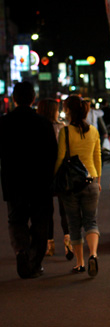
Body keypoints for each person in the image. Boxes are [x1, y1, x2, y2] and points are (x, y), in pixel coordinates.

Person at [0, 82, 58, 279]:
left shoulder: (4, 123)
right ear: (33, 99)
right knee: (40, 223)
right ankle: (34, 261)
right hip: (40, 184)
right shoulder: (43, 123)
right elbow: (53, 154)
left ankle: (21, 251)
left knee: (16, 220)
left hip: (14, 182)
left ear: (14, 99)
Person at [55, 95, 102, 277]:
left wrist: (54, 178)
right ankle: (94, 254)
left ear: (68, 110)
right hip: (90, 181)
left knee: (74, 224)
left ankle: (80, 263)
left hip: (71, 184)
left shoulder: (65, 132)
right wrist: (97, 181)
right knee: (91, 221)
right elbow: (97, 157)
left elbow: (60, 158)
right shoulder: (93, 131)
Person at [36, 98, 73, 261]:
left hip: (42, 174)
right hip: (61, 173)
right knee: (64, 209)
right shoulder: (62, 128)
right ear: (53, 111)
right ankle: (68, 243)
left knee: (46, 211)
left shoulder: (36, 129)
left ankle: (49, 245)